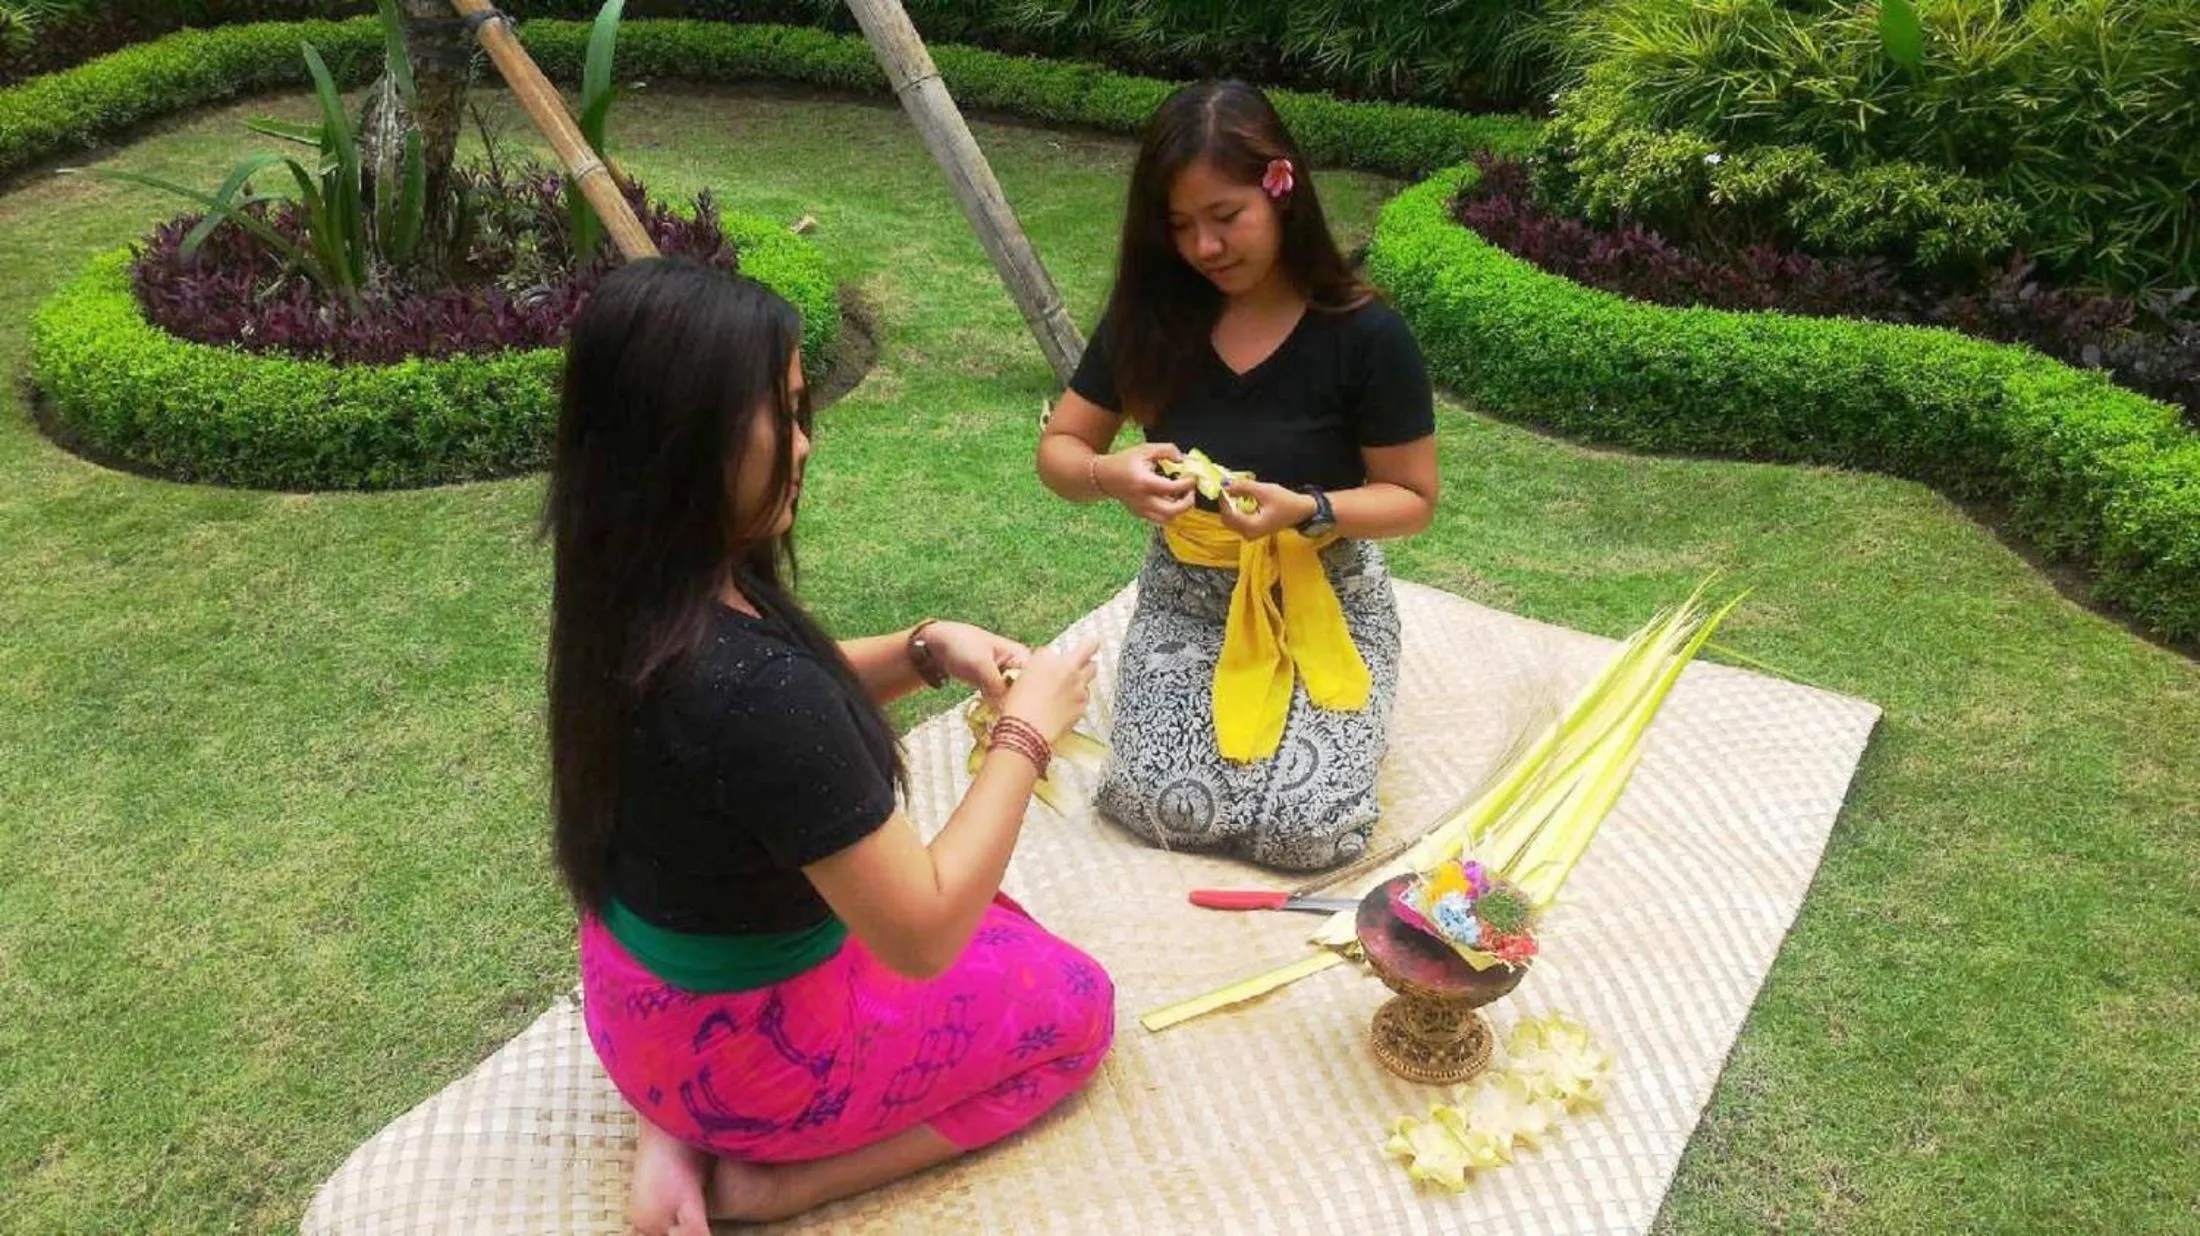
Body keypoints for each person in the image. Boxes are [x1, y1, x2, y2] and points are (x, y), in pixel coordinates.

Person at [545, 257, 1113, 1233]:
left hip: (637, 1013)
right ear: (689, 439)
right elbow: (920, 933)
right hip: (752, 1064)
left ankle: (670, 1127)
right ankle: (772, 1184)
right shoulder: (760, 693)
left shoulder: (628, 594)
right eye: (783, 415)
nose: (805, 443)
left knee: (1003, 926)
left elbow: (748, 736)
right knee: (1076, 1006)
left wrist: (924, 650)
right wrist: (1027, 732)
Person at [1037, 81, 1440, 872]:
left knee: (1308, 829)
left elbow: (1412, 499)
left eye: (1226, 217)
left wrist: (1310, 508)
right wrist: (1107, 472)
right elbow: (1061, 451)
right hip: (1188, 599)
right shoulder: (1152, 319)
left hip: (1327, 595)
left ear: (1281, 189)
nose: (1206, 247)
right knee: (1161, 806)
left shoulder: (1365, 335)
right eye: (1181, 226)